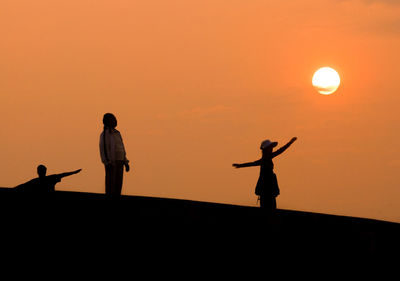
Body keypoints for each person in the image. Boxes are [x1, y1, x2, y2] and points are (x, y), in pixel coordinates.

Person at [233, 137, 297, 213]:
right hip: (267, 189)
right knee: (269, 209)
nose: (272, 149)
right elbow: (280, 151)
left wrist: (240, 165)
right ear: (266, 149)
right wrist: (240, 165)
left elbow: (253, 163)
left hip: (269, 189)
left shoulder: (267, 158)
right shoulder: (265, 159)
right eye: (270, 147)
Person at [99, 113, 130, 197]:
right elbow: (104, 149)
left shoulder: (117, 133)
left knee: (118, 183)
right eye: (113, 119)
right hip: (111, 163)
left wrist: (126, 162)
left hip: (120, 161)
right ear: (108, 121)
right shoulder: (105, 134)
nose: (115, 121)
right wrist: (108, 162)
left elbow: (122, 148)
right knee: (111, 184)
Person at [15, 165, 82, 193]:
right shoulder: (35, 181)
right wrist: (74, 172)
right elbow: (23, 185)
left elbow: (63, 174)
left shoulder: (50, 178)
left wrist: (74, 172)